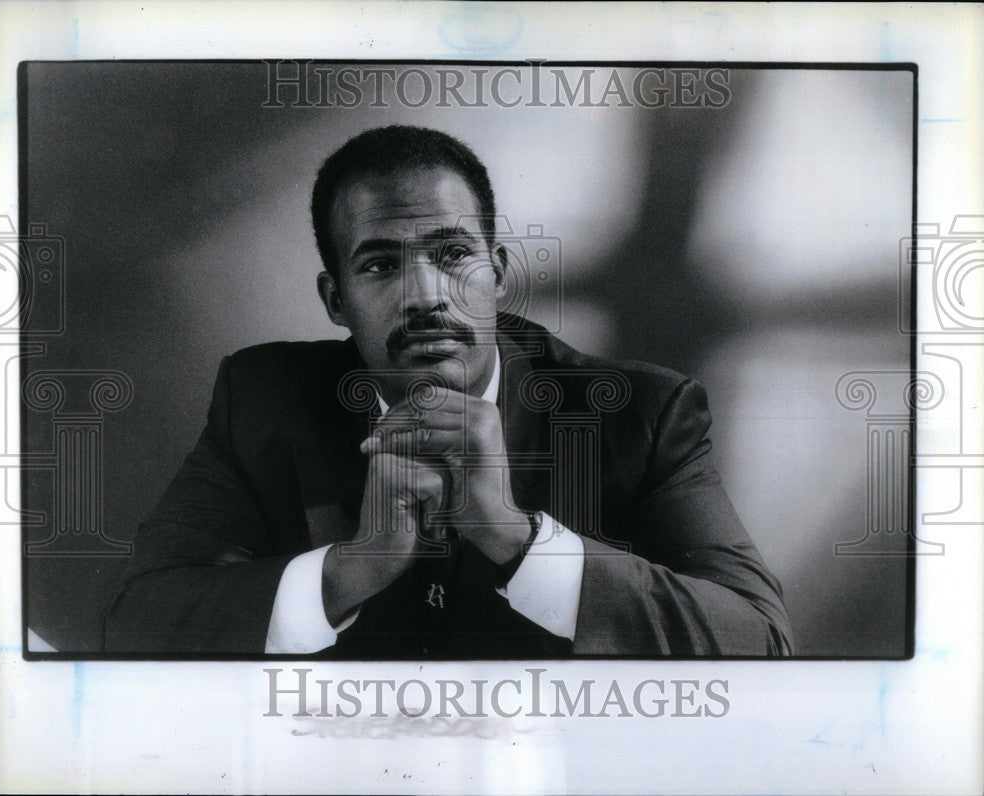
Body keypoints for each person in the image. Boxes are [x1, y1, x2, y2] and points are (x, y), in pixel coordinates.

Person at [102, 125, 793, 657]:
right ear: (335, 301)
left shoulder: (643, 414)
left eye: (453, 254)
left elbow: (760, 638)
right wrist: (349, 570)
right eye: (380, 264)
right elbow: (134, 622)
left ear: (497, 273)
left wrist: (517, 538)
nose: (426, 296)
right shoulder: (262, 398)